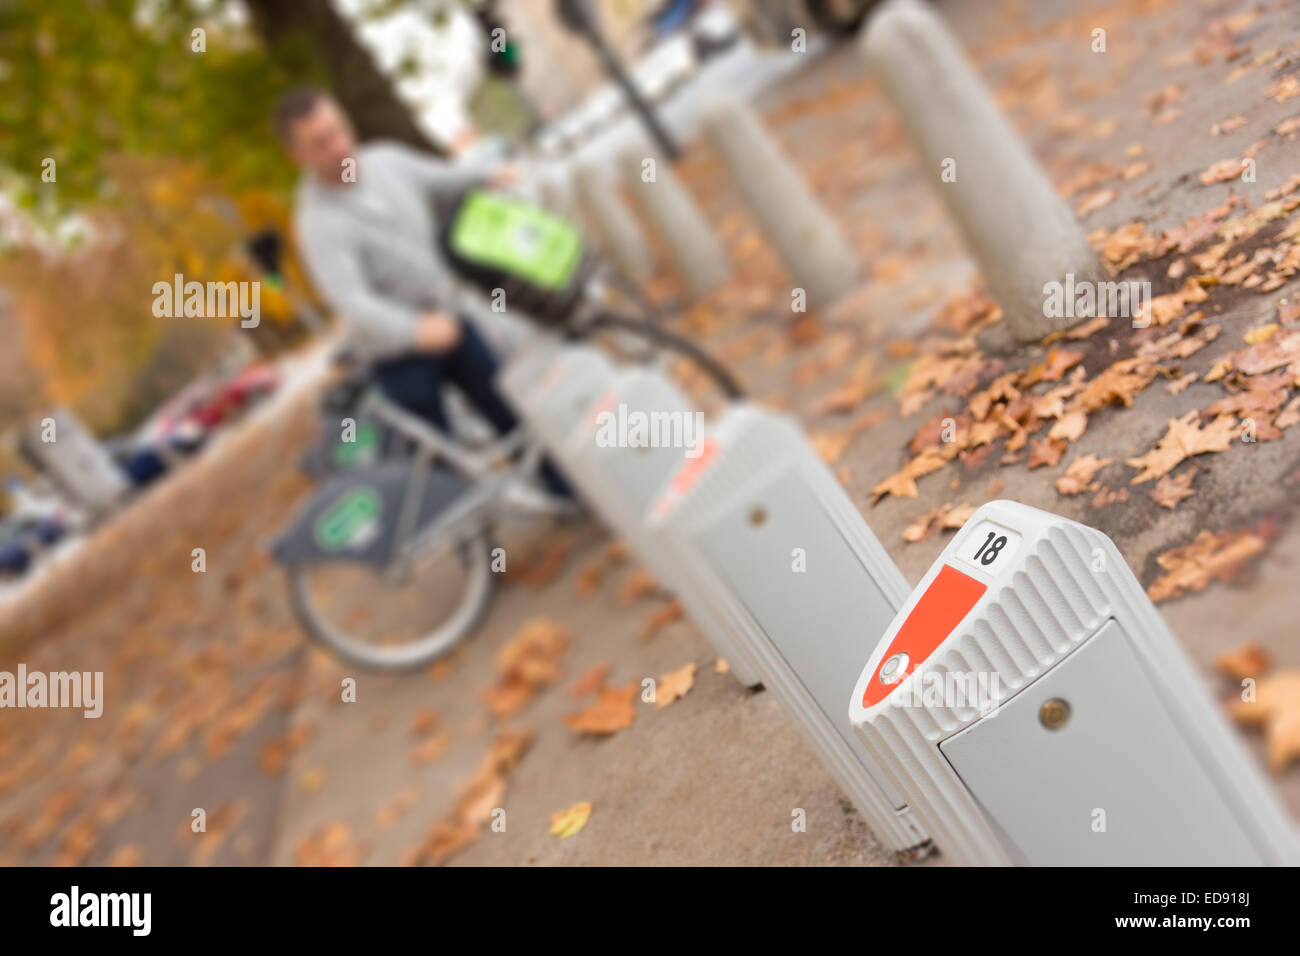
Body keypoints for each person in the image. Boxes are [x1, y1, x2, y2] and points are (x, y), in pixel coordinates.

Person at [275, 86, 570, 500]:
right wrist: (415, 331)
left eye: (339, 130)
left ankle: (569, 494)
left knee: (510, 412)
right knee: (442, 469)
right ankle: (481, 551)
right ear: (298, 156)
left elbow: (443, 179)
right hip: (398, 355)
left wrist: (490, 175)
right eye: (320, 144)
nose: (340, 147)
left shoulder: (386, 161)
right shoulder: (318, 224)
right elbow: (352, 302)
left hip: (449, 321)